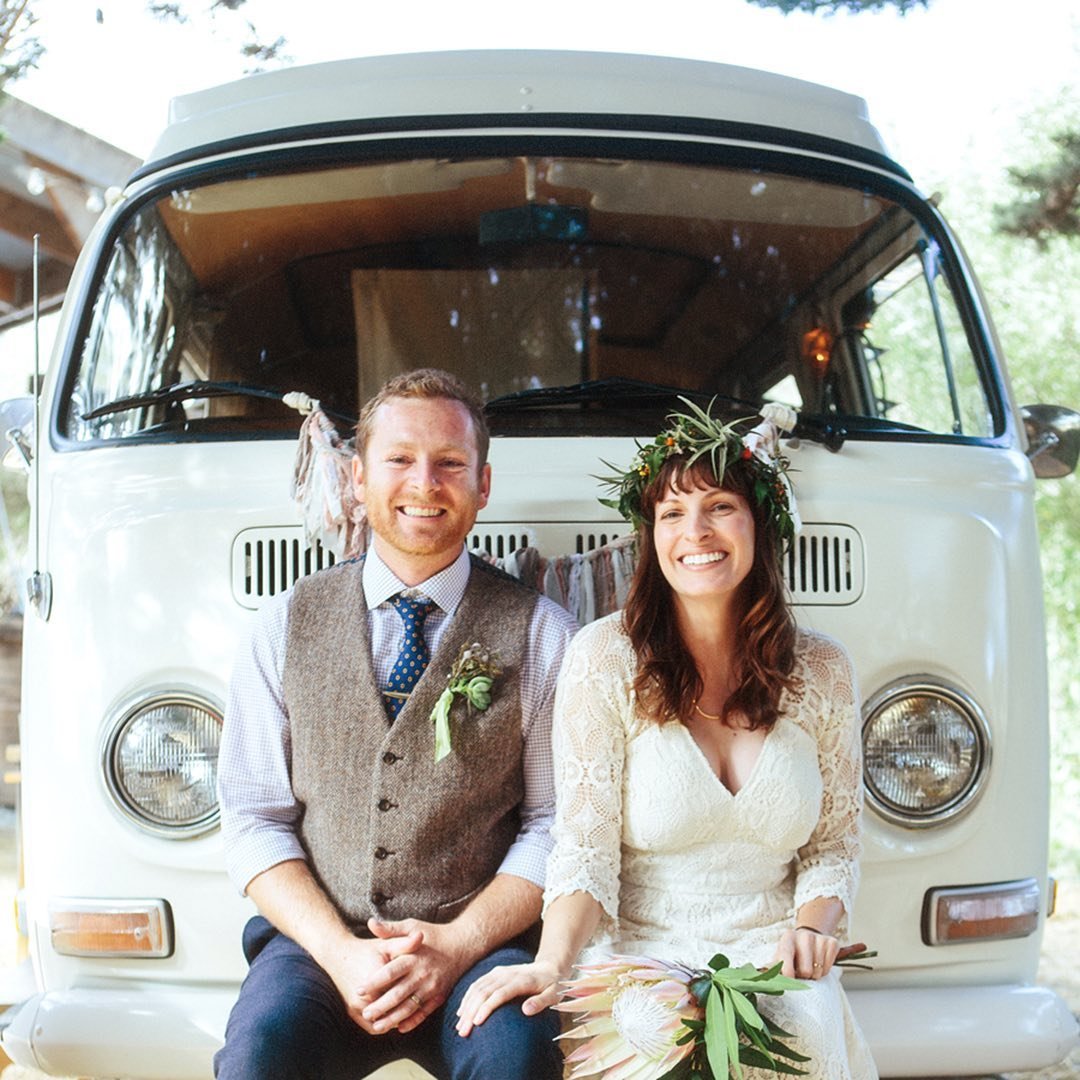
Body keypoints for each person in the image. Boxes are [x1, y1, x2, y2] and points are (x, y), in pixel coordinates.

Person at [457, 400, 878, 1079]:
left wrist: (813, 930)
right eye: (673, 514)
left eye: (719, 506)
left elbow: (834, 845)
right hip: (640, 959)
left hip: (773, 959)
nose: (697, 531)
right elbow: (584, 851)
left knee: (803, 1033)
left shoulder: (823, 668)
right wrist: (551, 965)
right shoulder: (604, 658)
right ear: (649, 536)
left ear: (759, 524)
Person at [214, 369, 576, 1080]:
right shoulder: (282, 625)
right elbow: (253, 816)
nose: (424, 482)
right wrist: (339, 952)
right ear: (357, 478)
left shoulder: (544, 633)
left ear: (483, 485)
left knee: (519, 1061)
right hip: (319, 947)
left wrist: (458, 944)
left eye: (449, 463)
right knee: (258, 1057)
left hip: (482, 943)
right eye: (400, 460)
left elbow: (554, 824)